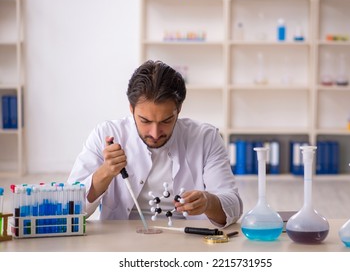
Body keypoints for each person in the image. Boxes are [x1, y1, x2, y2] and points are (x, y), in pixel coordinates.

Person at [68, 60, 242, 227]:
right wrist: (105, 173)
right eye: (145, 120)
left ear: (179, 109)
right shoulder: (106, 134)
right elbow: (70, 208)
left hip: (188, 241)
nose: (155, 133)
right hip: (121, 241)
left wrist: (208, 203)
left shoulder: (206, 138)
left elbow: (234, 205)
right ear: (131, 108)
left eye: (166, 120)